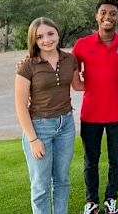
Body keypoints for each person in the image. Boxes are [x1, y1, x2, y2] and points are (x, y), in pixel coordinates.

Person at [73, 0, 118, 214]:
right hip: (90, 115)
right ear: (96, 16)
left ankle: (111, 199)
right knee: (91, 161)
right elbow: (75, 81)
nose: (107, 17)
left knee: (116, 160)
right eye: (104, 13)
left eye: (112, 14)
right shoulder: (81, 45)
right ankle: (91, 202)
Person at [15, 17, 83, 214]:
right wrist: (33, 139)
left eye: (50, 34)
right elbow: (20, 106)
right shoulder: (27, 65)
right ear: (33, 40)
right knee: (41, 185)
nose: (46, 40)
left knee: (62, 180)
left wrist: (106, 82)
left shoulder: (70, 59)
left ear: (58, 33)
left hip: (66, 126)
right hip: (39, 128)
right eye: (40, 37)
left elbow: (78, 85)